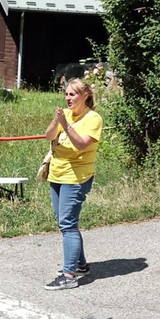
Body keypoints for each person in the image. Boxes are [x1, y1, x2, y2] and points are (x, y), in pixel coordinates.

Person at [43, 80, 103, 290]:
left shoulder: (93, 119)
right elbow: (48, 136)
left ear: (84, 95)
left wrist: (66, 125)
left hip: (77, 177)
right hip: (57, 174)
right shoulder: (65, 115)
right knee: (65, 222)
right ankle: (81, 265)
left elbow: (80, 145)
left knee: (67, 224)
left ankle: (69, 276)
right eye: (66, 94)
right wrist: (57, 121)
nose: (68, 98)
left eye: (72, 95)